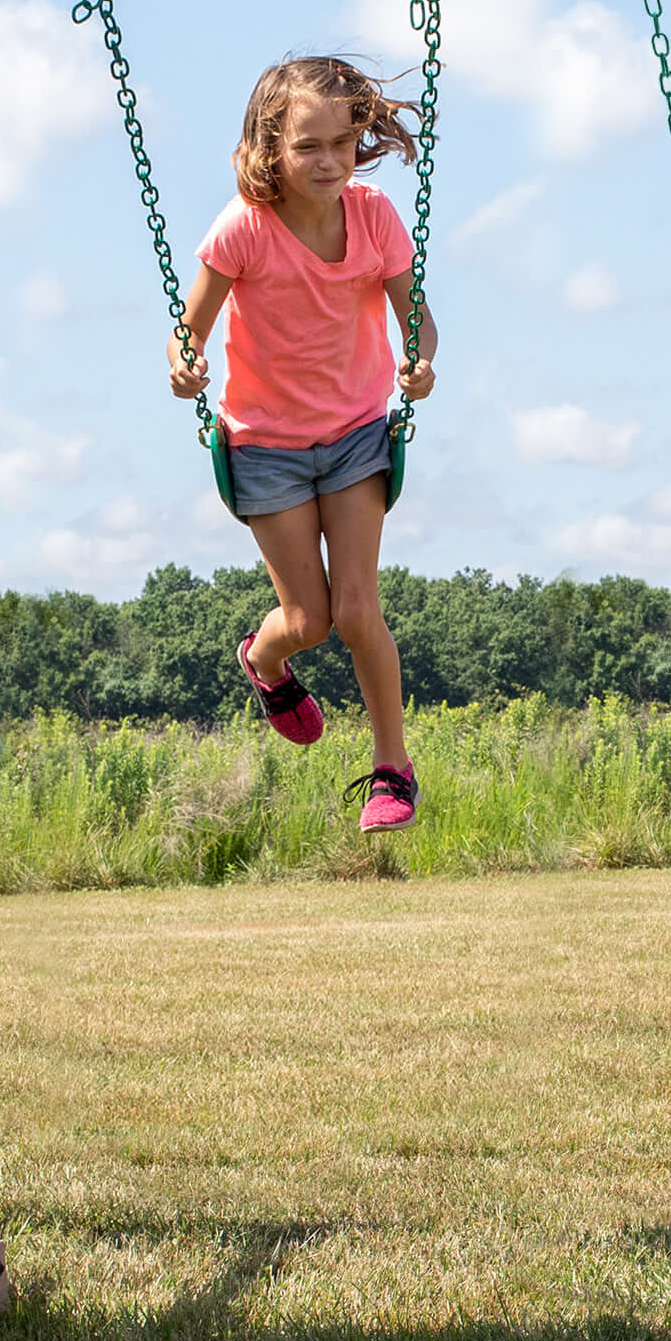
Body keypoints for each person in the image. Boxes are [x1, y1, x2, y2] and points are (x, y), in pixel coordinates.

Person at [172, 55, 437, 834]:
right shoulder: (243, 228)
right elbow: (189, 332)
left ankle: (393, 767)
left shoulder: (376, 215)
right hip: (266, 445)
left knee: (358, 609)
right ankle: (265, 658)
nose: (329, 162)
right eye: (307, 146)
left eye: (344, 143)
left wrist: (419, 359)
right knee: (310, 618)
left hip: (356, 432)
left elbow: (415, 316)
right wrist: (185, 366)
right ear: (270, 148)